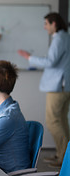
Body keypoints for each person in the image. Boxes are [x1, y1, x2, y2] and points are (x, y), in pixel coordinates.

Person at [18, 12, 70, 168]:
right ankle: (64, 155)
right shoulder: (65, 37)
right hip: (64, 85)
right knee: (61, 121)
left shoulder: (60, 38)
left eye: (46, 23)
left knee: (54, 121)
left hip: (58, 86)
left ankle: (63, 157)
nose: (44, 27)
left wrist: (29, 57)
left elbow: (51, 61)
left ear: (54, 23)